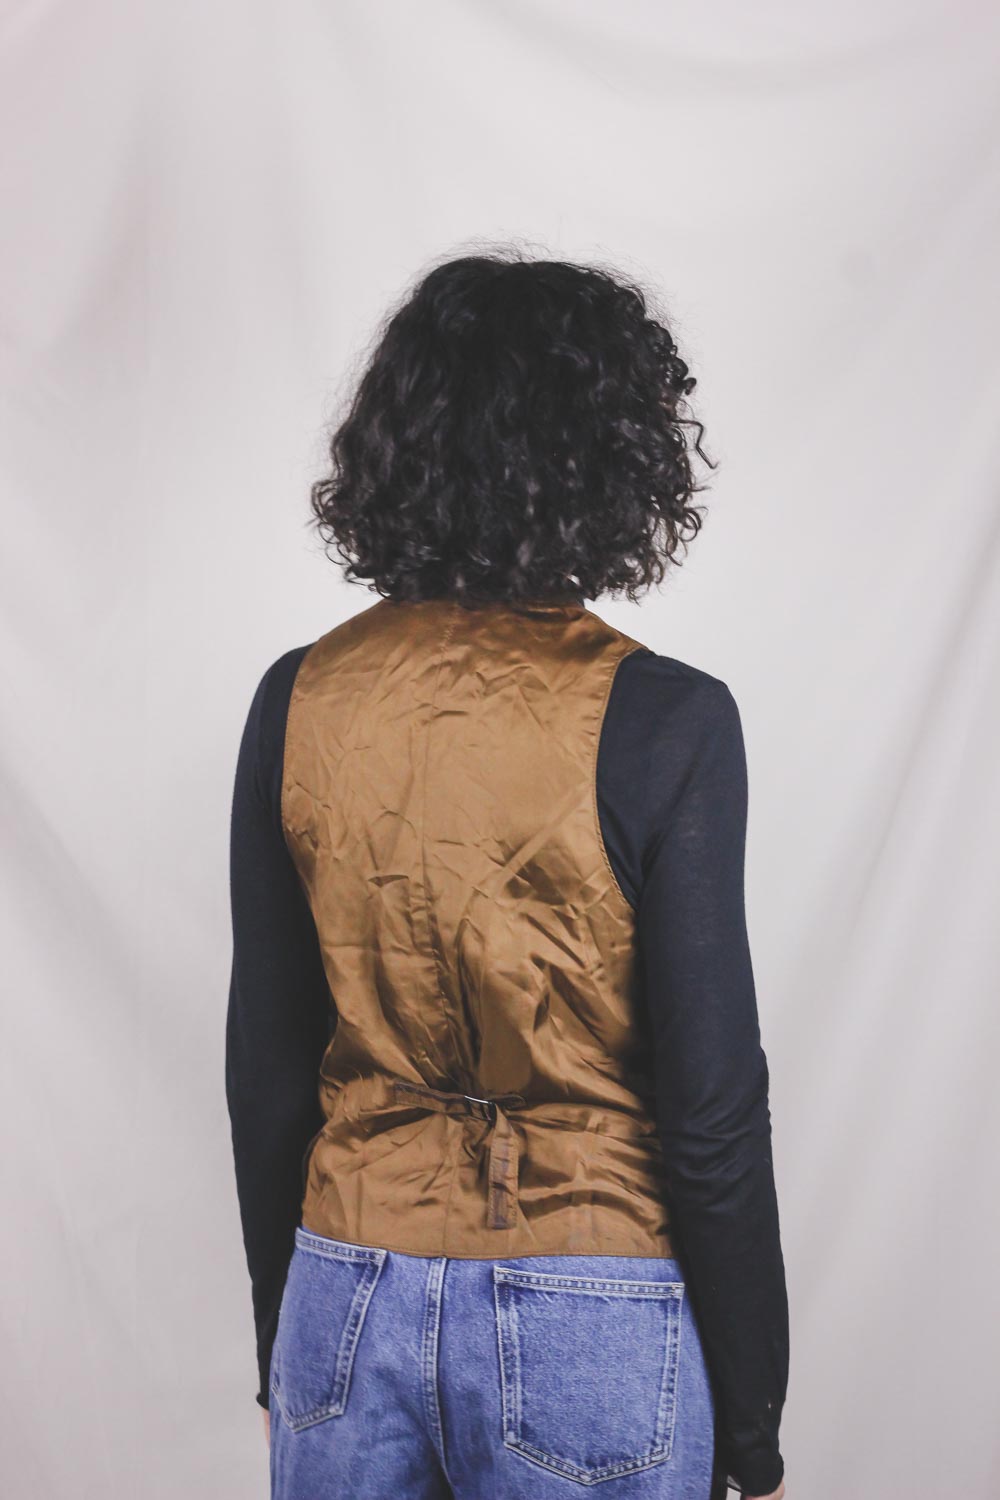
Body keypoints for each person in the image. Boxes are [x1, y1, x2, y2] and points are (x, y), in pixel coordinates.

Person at [225, 250, 789, 1500]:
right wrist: (752, 1430)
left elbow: (266, 1072)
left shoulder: (297, 698)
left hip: (343, 1287)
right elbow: (710, 1110)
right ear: (615, 458)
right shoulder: (666, 718)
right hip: (593, 1302)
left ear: (397, 445)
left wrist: (284, 1350)